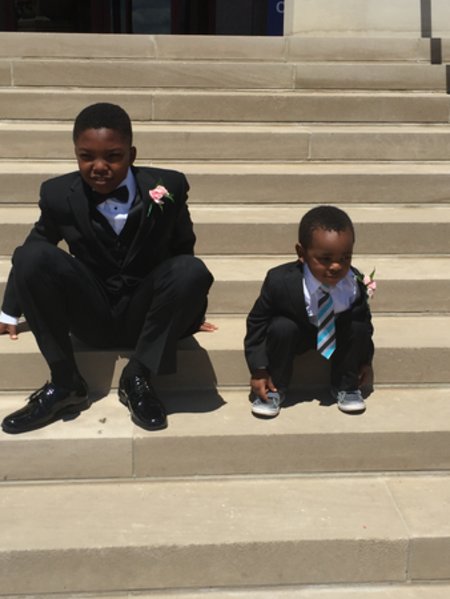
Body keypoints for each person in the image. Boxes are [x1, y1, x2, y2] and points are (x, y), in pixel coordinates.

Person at [0, 102, 214, 434]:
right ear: (76, 154)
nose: (99, 166)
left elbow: (182, 248)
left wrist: (185, 309)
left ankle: (138, 376)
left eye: (113, 156)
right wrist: (9, 311)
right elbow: (34, 249)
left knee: (191, 269)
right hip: (91, 313)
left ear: (131, 154)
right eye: (87, 156)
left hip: (144, 315)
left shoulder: (168, 187)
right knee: (31, 255)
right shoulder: (58, 194)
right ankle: (65, 383)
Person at [244, 205, 374, 418]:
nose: (336, 266)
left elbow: (364, 321)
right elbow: (258, 321)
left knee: (357, 326)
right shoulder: (280, 281)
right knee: (281, 327)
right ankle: (275, 387)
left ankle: (346, 385)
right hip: (296, 333)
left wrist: (365, 360)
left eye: (345, 258)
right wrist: (259, 368)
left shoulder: (353, 283)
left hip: (337, 333)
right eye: (325, 259)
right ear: (301, 253)